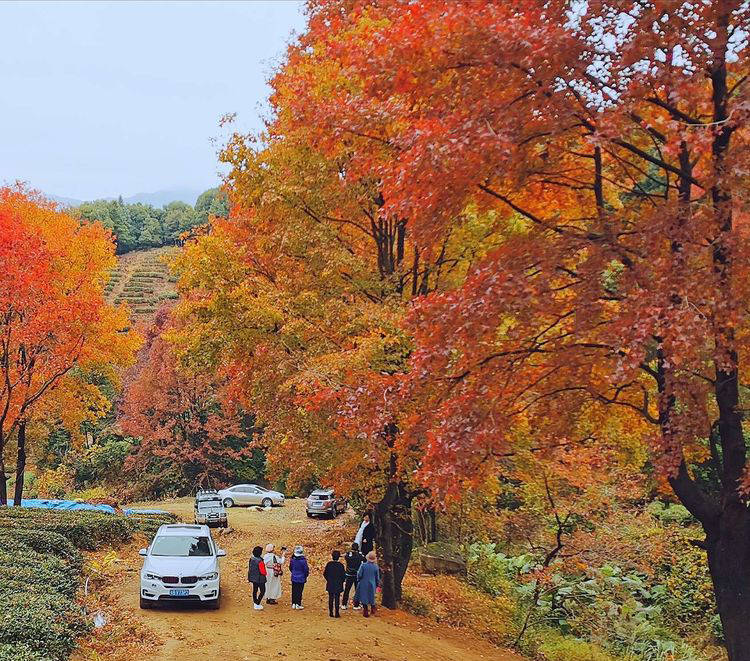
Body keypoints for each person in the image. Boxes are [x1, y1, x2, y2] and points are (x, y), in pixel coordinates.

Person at [355, 550, 380, 618]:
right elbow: (377, 577)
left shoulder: (363, 565)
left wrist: (359, 579)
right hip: (372, 583)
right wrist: (377, 584)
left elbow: (359, 574)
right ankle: (372, 608)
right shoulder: (376, 567)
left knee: (364, 596)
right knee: (371, 596)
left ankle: (365, 610)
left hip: (363, 582)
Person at [323, 550, 346, 618]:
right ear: (338, 557)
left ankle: (330, 612)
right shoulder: (340, 565)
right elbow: (343, 575)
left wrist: (328, 580)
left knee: (331, 598)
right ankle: (337, 613)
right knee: (337, 598)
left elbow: (325, 574)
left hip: (330, 583)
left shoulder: (329, 564)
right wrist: (341, 581)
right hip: (338, 584)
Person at [342, 542, 364, 610]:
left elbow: (346, 557)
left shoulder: (348, 555)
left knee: (347, 590)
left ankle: (344, 604)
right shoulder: (359, 556)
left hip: (349, 574)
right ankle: (356, 605)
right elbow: (364, 559)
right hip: (356, 575)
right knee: (357, 590)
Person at [289, 545, 309, 610]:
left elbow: (290, 567)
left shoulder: (292, 559)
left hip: (294, 577)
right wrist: (305, 575)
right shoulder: (303, 560)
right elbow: (306, 570)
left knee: (294, 590)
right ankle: (298, 604)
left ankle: (293, 603)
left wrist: (293, 573)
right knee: (299, 591)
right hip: (301, 578)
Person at [247, 545, 267, 610]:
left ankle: (255, 602)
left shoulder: (252, 559)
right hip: (260, 579)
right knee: (262, 591)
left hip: (253, 578)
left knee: (255, 590)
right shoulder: (260, 561)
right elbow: (263, 572)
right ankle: (257, 603)